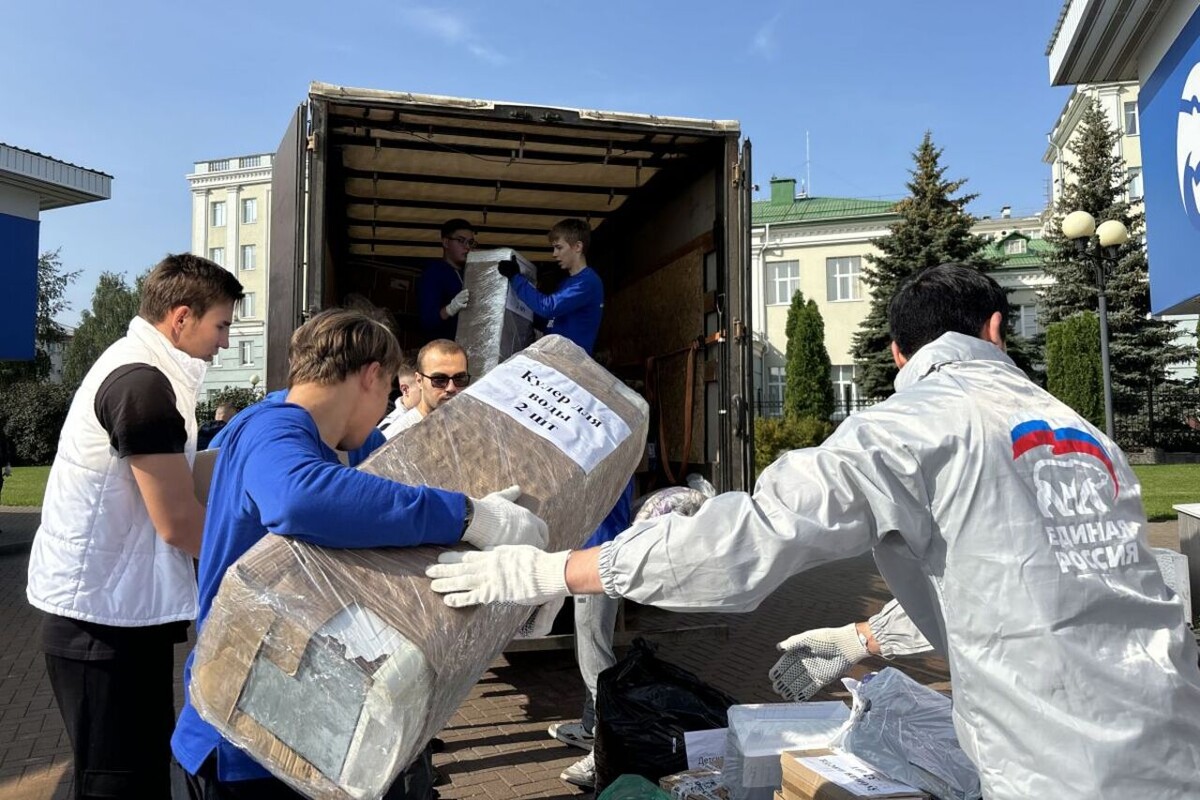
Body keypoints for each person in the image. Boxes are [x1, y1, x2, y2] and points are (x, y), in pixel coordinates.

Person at [426, 263, 1200, 800]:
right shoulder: (1085, 435)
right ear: (996, 328)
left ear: (900, 354)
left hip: (1055, 768)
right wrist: (863, 637)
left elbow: (743, 544)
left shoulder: (909, 427)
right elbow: (1042, 581)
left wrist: (547, 572)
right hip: (1176, 742)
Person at [171, 308, 549, 799]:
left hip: (303, 724)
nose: (387, 408)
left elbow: (400, 484)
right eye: (392, 391)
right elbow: (298, 497)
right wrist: (469, 516)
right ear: (372, 376)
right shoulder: (273, 428)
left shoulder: (328, 440)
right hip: (246, 739)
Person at [26, 253, 243, 799]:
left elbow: (181, 472)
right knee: (117, 784)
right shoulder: (142, 385)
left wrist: (252, 452)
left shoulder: (148, 372)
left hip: (116, 613)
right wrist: (255, 575)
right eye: (221, 325)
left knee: (137, 771)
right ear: (181, 316)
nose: (224, 342)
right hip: (99, 625)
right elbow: (177, 521)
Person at [498, 218, 603, 355]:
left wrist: (516, 278)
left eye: (559, 247)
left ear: (578, 247)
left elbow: (548, 307)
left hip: (572, 365)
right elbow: (550, 321)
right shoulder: (567, 283)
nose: (554, 254)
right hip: (557, 360)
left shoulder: (586, 282)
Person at [378, 340, 469, 440]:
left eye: (459, 378)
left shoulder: (471, 422)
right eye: (439, 380)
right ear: (419, 380)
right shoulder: (396, 436)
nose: (451, 388)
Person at [418, 219, 476, 342]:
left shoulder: (470, 274)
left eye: (470, 243)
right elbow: (427, 321)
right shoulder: (434, 273)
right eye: (461, 241)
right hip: (441, 351)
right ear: (445, 242)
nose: (467, 247)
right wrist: (450, 308)